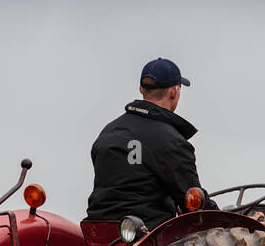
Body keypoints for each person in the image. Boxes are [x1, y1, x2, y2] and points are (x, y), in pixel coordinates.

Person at [86, 58, 202, 228]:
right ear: (174, 91)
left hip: (100, 230)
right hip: (149, 235)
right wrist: (234, 223)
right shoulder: (172, 141)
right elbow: (195, 205)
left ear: (141, 89)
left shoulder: (108, 133)